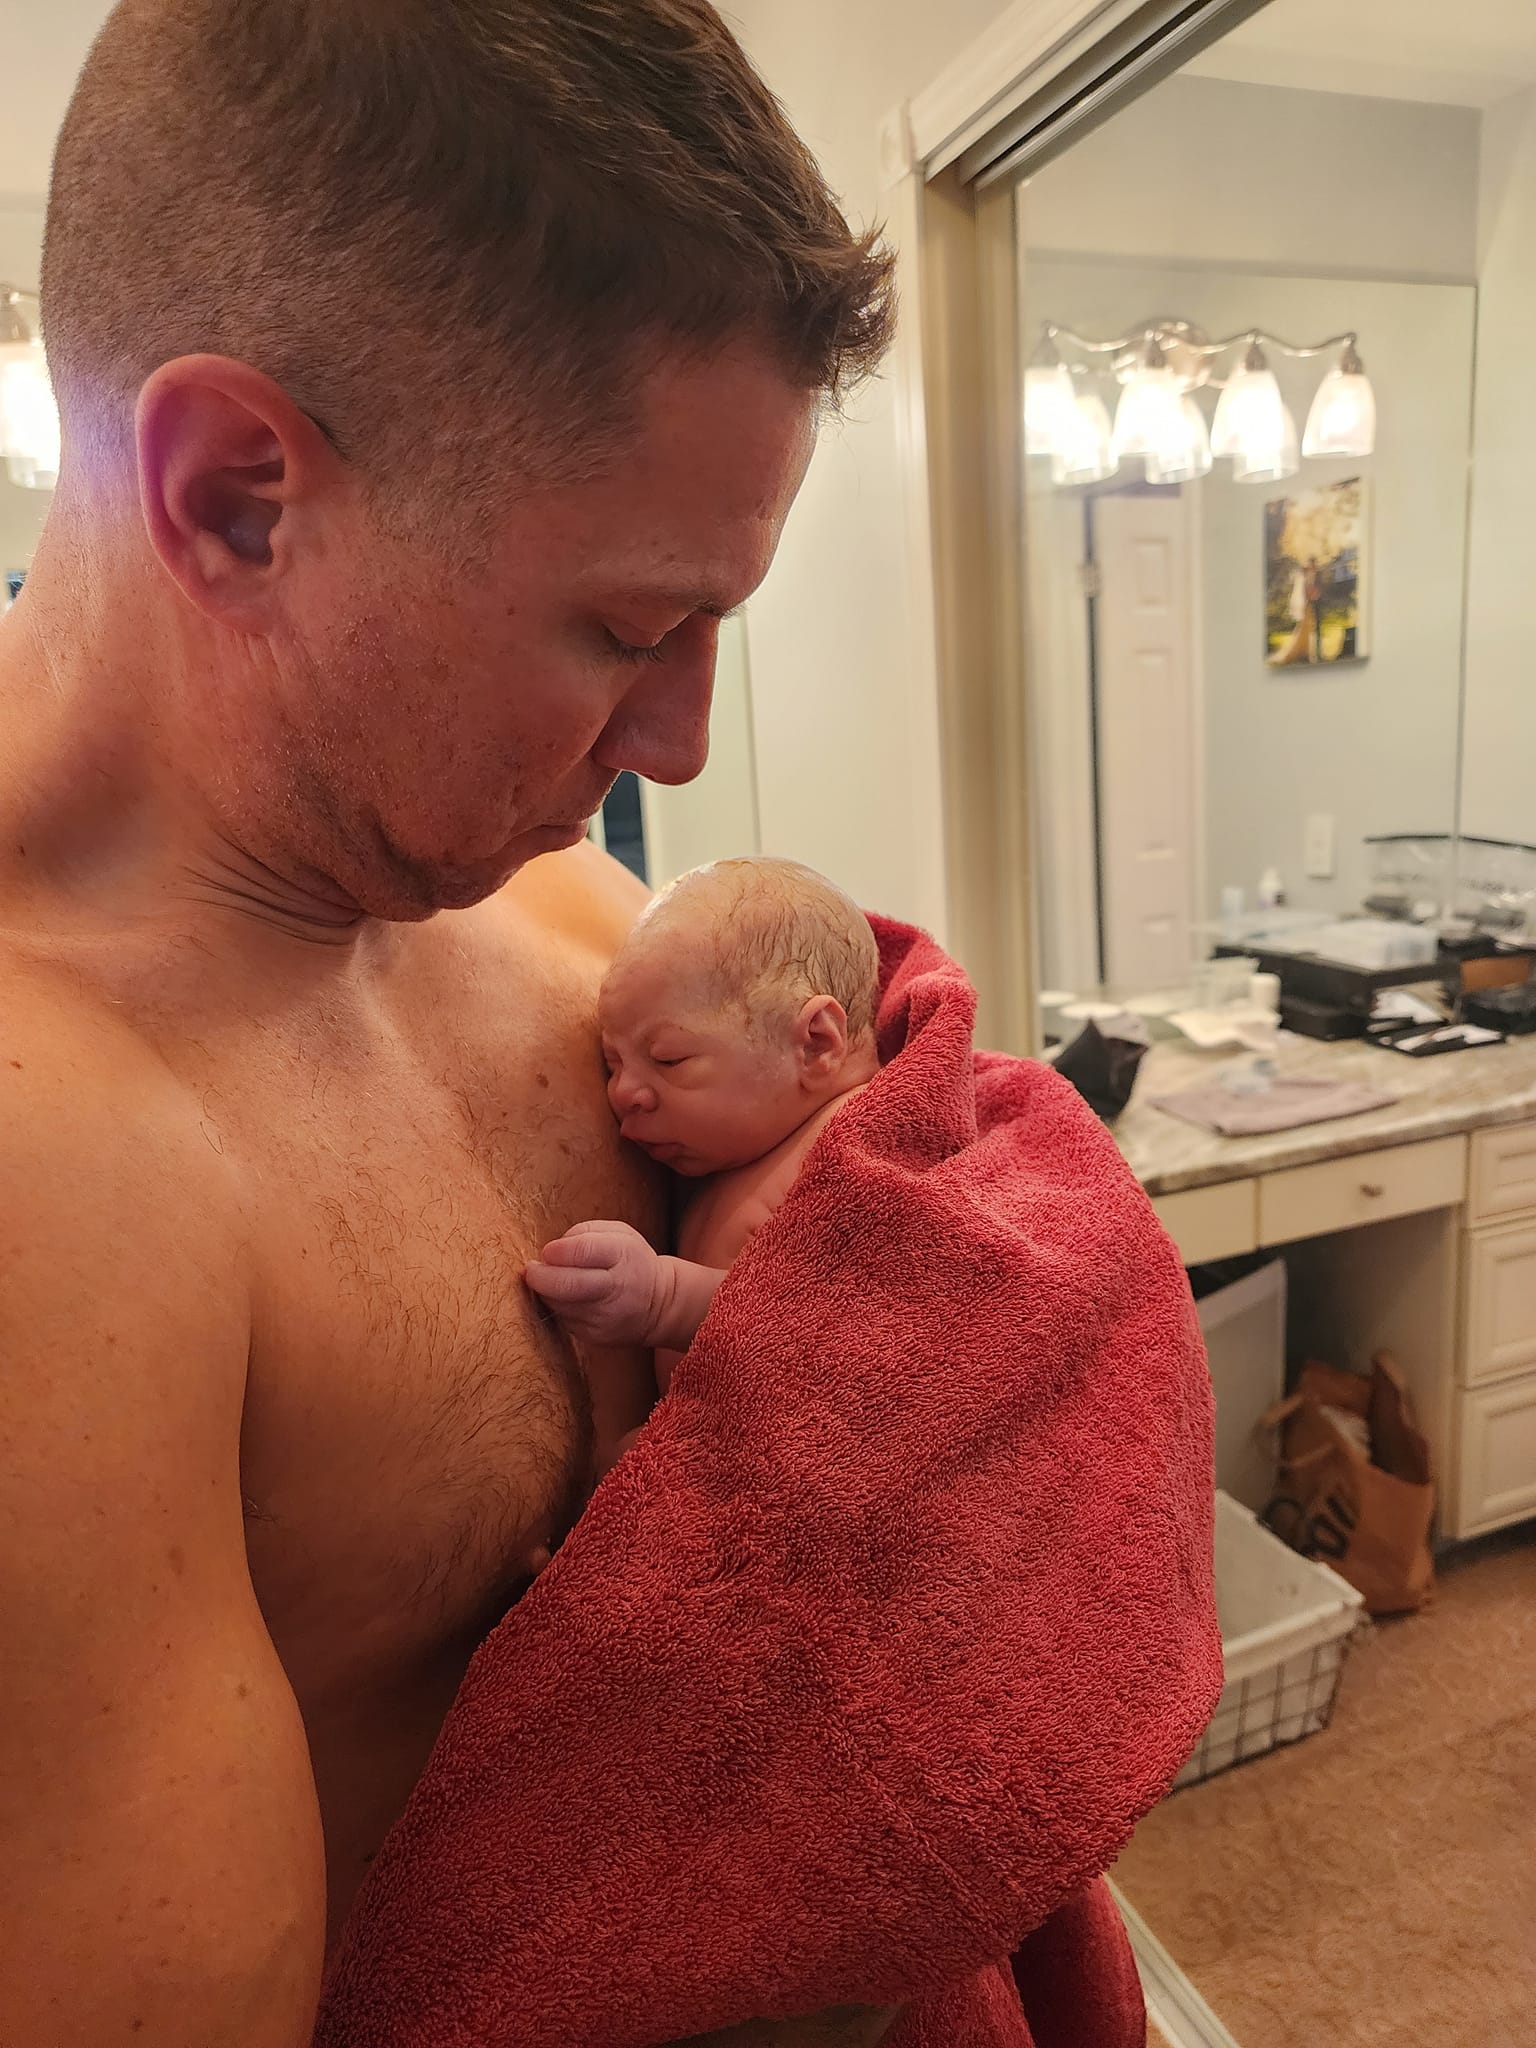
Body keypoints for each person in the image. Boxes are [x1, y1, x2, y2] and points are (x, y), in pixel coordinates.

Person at [0, 3, 900, 2043]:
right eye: (627, 627)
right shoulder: (45, 1177)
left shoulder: (582, 925)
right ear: (238, 494)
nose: (682, 739)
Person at [527, 859, 880, 1421]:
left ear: (816, 1042)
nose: (623, 1094)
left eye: (669, 1058)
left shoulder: (863, 1148)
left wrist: (664, 1300)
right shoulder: (745, 1143)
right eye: (612, 1064)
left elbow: (839, 1326)